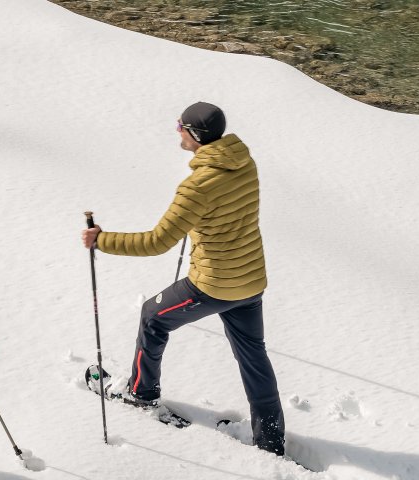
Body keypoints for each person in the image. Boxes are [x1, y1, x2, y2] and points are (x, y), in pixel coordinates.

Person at [80, 102, 285, 456]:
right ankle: (271, 440)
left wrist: (101, 240)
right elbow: (226, 212)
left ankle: (141, 393)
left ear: (195, 135)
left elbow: (156, 242)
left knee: (152, 316)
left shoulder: (197, 187)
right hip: (250, 280)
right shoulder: (244, 163)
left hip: (213, 284)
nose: (176, 129)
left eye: (181, 125)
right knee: (254, 356)